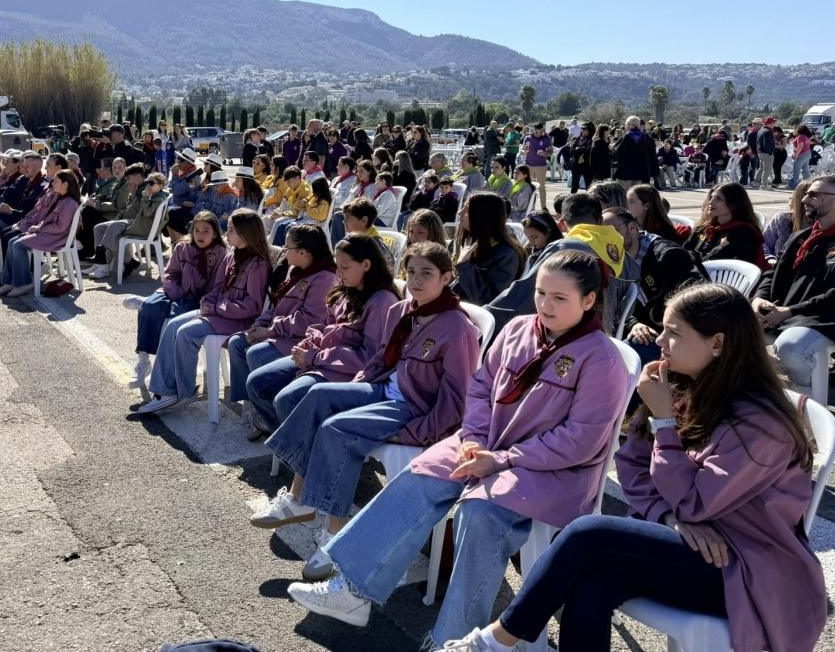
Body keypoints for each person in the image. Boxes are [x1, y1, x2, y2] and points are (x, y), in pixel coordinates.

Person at [451, 282, 825, 652]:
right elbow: (632, 464)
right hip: (697, 545)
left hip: (745, 568)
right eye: (662, 329)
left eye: (674, 333)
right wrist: (668, 517)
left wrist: (664, 424)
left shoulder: (761, 424)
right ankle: (495, 642)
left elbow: (695, 501)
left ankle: (494, 641)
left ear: (718, 343)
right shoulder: (685, 386)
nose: (660, 342)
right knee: (592, 584)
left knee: (588, 534)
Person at [287, 252, 630, 647]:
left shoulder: (601, 358)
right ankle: (353, 589)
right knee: (422, 475)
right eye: (540, 293)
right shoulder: (519, 328)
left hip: (549, 469)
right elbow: (481, 388)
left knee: (482, 511)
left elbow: (581, 441)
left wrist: (502, 459)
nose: (545, 305)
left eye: (559, 298)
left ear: (588, 301)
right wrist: (473, 439)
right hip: (487, 442)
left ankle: (455, 636)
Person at [253, 243, 480, 576]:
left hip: (410, 408)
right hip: (382, 389)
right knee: (318, 395)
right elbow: (379, 359)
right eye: (412, 272)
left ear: (447, 277)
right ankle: (301, 500)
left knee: (335, 429)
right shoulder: (402, 310)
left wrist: (419, 432)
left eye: (427, 274)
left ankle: (334, 539)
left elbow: (457, 398)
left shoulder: (457, 328)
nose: (417, 280)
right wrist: (355, 386)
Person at [246, 234, 399, 432]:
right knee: (257, 383)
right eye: (337, 265)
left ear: (366, 265)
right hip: (319, 359)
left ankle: (300, 452)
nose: (338, 272)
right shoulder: (345, 291)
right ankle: (289, 440)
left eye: (345, 267)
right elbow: (325, 325)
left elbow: (369, 358)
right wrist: (309, 342)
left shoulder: (381, 301)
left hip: (344, 371)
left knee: (287, 399)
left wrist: (316, 357)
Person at [139, 210, 272, 414]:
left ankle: (185, 391)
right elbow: (217, 288)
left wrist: (217, 307)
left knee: (186, 333)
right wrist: (207, 301)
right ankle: (164, 390)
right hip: (219, 314)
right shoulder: (232, 255)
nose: (227, 234)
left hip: (238, 321)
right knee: (174, 325)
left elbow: (253, 306)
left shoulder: (258, 264)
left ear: (246, 233)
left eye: (231, 230)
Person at [227, 224, 335, 436]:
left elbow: (308, 322)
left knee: (257, 353)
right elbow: (276, 305)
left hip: (299, 339)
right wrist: (259, 324)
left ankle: (270, 417)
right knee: (237, 343)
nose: (284, 252)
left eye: (288, 248)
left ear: (303, 252)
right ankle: (253, 405)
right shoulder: (295, 270)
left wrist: (269, 331)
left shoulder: (324, 278)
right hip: (280, 332)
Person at [485, 193, 630, 335]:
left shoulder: (565, 248)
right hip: (607, 333)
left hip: (568, 333)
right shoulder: (621, 251)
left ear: (561, 224)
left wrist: (487, 315)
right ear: (600, 220)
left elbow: (523, 296)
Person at [753, 175, 835, 393]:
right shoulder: (802, 237)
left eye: (814, 195)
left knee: (791, 347)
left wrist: (789, 311)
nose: (804, 200)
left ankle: (808, 406)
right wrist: (759, 299)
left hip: (827, 319)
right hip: (788, 313)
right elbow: (773, 274)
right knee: (727, 327)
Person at [128, 212, 226, 391]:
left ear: (215, 233)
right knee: (150, 308)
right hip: (174, 291)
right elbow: (170, 274)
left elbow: (218, 285)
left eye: (206, 231)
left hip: (199, 299)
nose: (200, 235)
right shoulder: (183, 247)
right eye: (197, 230)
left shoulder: (221, 253)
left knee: (175, 320)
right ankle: (143, 361)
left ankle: (171, 372)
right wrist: (176, 293)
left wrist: (205, 300)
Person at [603, 206, 707, 370]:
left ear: (632, 228)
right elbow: (618, 304)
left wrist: (665, 327)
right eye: (604, 233)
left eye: (614, 230)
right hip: (642, 328)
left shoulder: (667, 256)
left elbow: (696, 299)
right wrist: (634, 324)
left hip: (675, 335)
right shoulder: (614, 257)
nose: (608, 238)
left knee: (625, 359)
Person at [0, 169, 82, 297]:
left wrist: (40, 228)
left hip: (57, 238)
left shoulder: (69, 203)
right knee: (12, 241)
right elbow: (47, 219)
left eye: (56, 181)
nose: (53, 184)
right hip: (48, 234)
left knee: (18, 245)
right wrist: (37, 226)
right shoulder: (60, 199)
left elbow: (60, 227)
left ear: (65, 184)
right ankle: (9, 282)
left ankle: (23, 283)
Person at [86, 171, 170, 280]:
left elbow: (147, 213)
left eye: (152, 183)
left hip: (143, 227)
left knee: (114, 228)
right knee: (99, 228)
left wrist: (145, 197)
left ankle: (102, 257)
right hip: (138, 223)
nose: (149, 186)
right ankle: (113, 262)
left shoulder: (158, 198)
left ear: (161, 186)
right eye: (148, 183)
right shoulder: (154, 195)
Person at [451, 192, 526, 306]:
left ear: (482, 216)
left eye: (466, 210)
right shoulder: (475, 243)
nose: (459, 213)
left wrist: (464, 266)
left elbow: (488, 300)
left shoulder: (507, 256)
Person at [687, 182, 768, 270]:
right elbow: (685, 249)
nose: (711, 202)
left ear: (734, 204)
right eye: (711, 197)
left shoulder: (743, 234)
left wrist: (721, 247)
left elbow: (735, 268)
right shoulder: (705, 227)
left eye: (718, 198)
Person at [763, 181, 810, 258]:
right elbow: (764, 245)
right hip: (778, 265)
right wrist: (770, 258)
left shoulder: (824, 223)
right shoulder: (782, 219)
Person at [567, 121, 594, 192]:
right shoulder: (578, 139)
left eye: (585, 129)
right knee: (574, 185)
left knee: (589, 185)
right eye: (582, 129)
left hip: (587, 165)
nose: (583, 130)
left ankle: (590, 201)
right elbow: (571, 151)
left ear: (590, 130)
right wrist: (576, 149)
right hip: (576, 164)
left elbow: (590, 150)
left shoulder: (592, 140)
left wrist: (580, 149)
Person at [788, 124, 814, 190]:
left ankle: (794, 184)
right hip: (807, 153)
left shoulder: (801, 137)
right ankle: (808, 183)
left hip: (801, 154)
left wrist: (795, 155)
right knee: (805, 170)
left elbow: (800, 147)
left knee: (796, 169)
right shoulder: (806, 136)